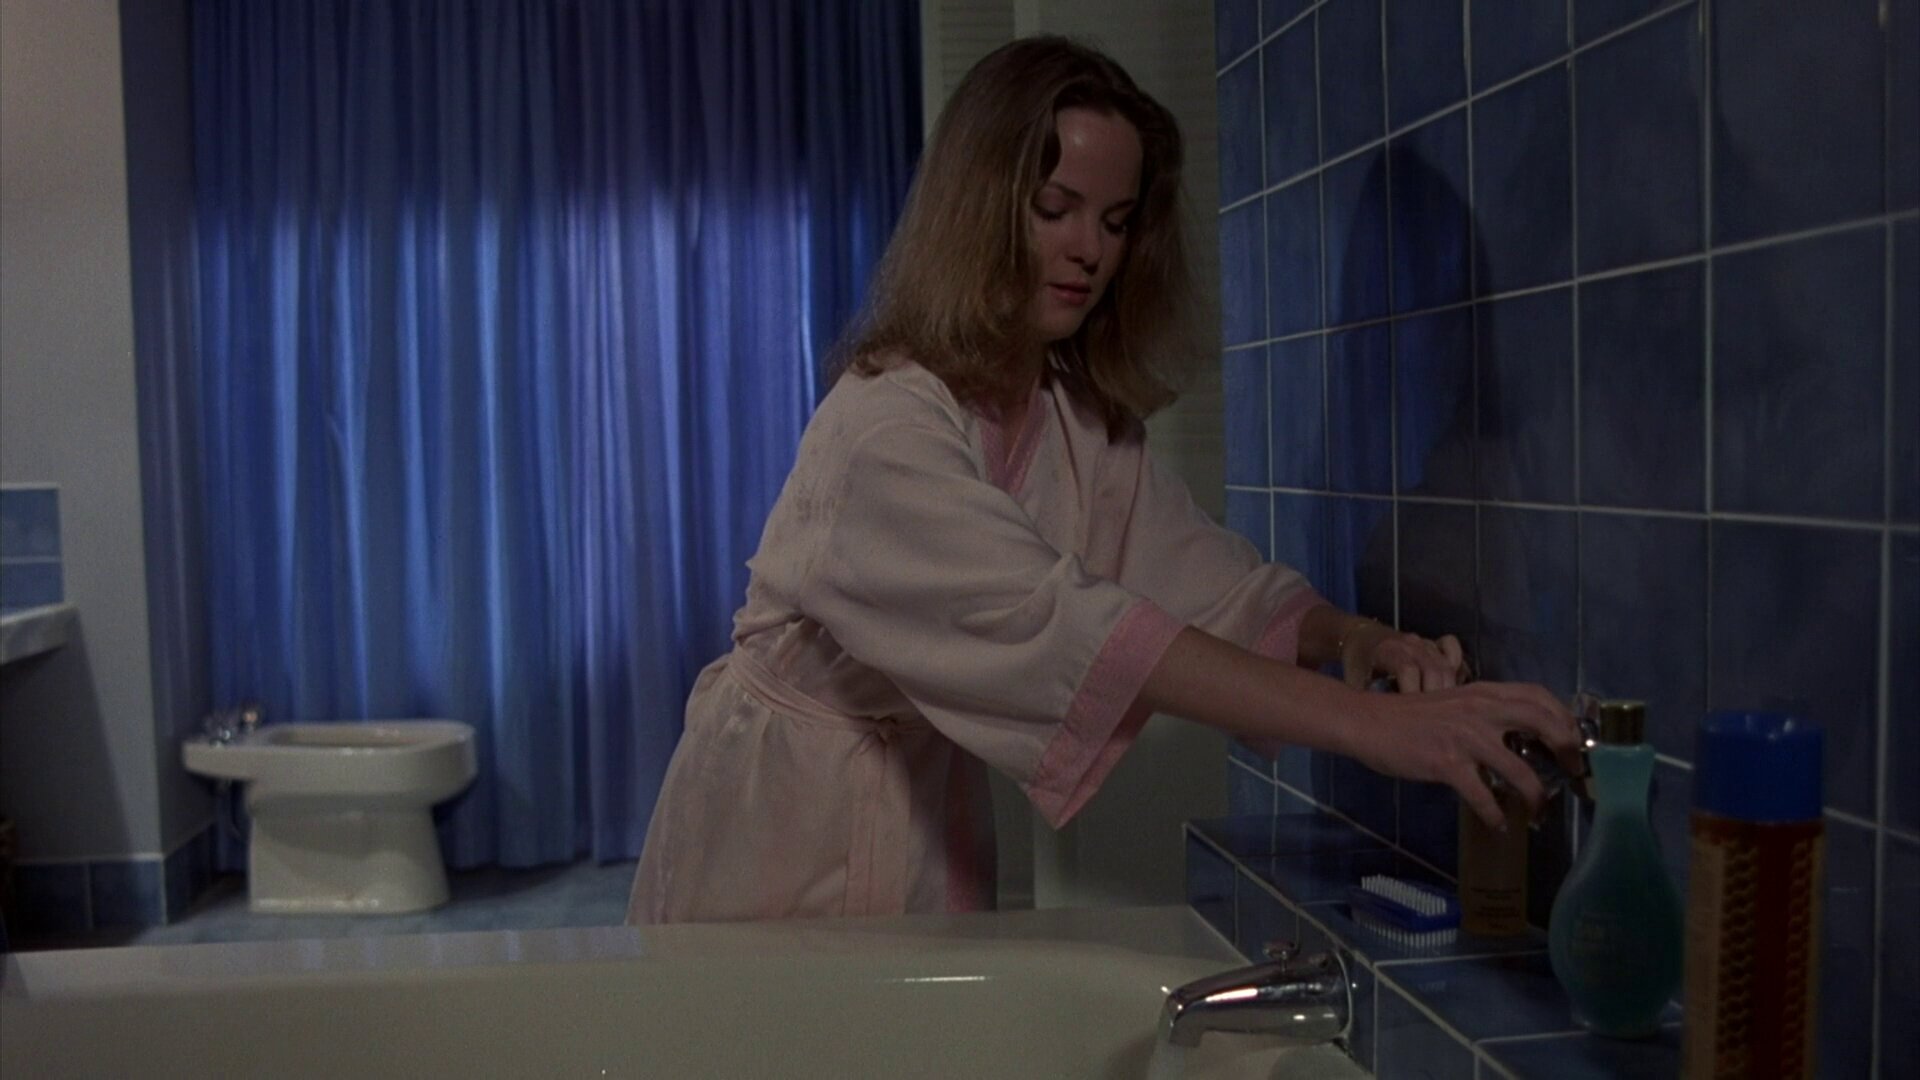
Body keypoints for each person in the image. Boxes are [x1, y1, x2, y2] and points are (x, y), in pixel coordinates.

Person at [626, 36, 1579, 925]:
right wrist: (1374, 728)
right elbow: (1063, 620)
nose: (1091, 249)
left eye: (1116, 221)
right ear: (980, 209)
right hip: (775, 826)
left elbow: (1209, 585)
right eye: (1057, 209)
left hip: (922, 825)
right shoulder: (881, 429)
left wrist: (1358, 639)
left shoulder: (1071, 421)